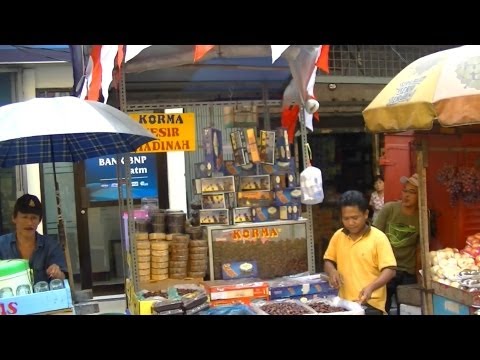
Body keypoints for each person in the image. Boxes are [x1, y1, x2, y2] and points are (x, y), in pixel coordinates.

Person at [323, 190, 397, 315]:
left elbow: (390, 270)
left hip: (371, 304)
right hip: (345, 305)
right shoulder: (338, 236)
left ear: (366, 214)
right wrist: (332, 271)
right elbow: (328, 260)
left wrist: (371, 287)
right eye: (346, 219)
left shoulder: (378, 238)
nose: (351, 223)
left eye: (355, 218)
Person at [373, 173, 420, 315]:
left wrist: (419, 275)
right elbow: (373, 237)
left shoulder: (423, 216)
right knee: (380, 310)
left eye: (412, 192)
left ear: (421, 196)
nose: (406, 195)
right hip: (385, 270)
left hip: (407, 273)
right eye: (405, 190)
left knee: (406, 311)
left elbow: (420, 248)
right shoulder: (390, 209)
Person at [0, 194, 67, 284]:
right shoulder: (2, 244)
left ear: (39, 221)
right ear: (14, 218)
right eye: (25, 217)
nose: (29, 223)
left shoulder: (50, 245)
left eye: (34, 218)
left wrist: (57, 273)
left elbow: (63, 278)